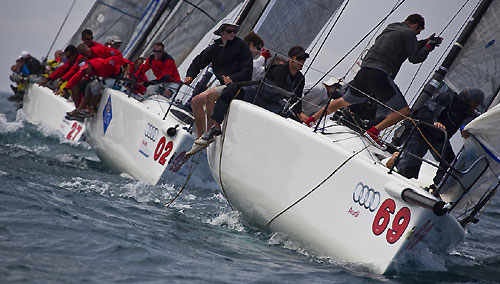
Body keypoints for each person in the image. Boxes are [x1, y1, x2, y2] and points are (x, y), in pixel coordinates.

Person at [305, 14, 443, 150]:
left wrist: (424, 42)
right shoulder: (409, 34)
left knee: (342, 101)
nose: (416, 34)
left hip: (364, 71)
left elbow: (405, 44)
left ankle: (311, 120)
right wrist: (429, 47)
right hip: (379, 75)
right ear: (415, 25)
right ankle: (373, 132)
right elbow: (415, 58)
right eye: (418, 31)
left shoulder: (392, 27)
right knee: (404, 111)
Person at [393, 88, 484, 190]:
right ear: (468, 100)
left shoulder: (468, 112)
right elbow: (426, 110)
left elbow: (467, 123)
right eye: (475, 103)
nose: (475, 107)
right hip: (423, 132)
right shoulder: (446, 97)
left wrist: (465, 130)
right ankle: (396, 159)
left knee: (450, 164)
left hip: (440, 139)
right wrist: (434, 121)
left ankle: (437, 188)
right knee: (409, 170)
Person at [189, 30, 264, 139]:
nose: (259, 52)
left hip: (236, 90)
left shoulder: (255, 63)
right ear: (251, 44)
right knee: (196, 101)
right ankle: (200, 137)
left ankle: (208, 132)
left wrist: (263, 59)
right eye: (258, 48)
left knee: (204, 99)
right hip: (227, 86)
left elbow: (254, 69)